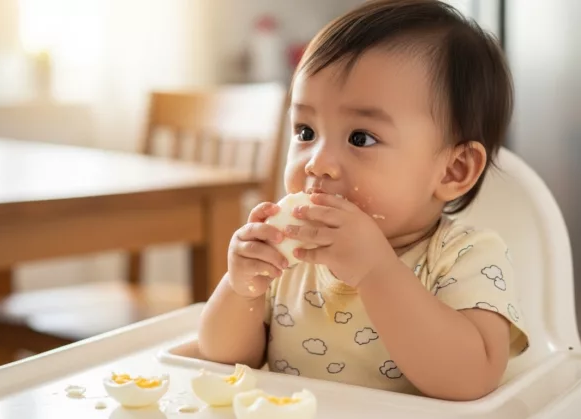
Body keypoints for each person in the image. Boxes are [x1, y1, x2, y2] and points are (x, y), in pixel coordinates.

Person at [197, 0, 529, 401]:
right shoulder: (292, 255)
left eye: (361, 138)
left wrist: (376, 270)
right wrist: (242, 287)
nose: (317, 163)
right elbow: (224, 360)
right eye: (305, 131)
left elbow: (471, 379)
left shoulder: (466, 257)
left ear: (453, 170)